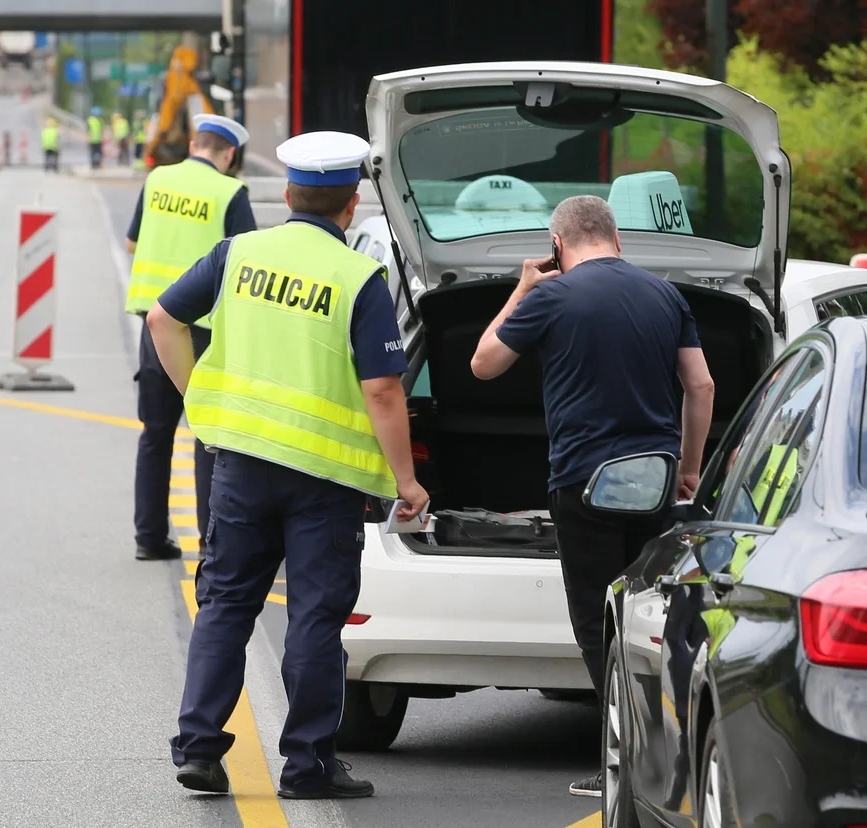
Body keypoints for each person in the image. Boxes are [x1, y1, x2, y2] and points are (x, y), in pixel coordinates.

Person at [146, 131, 429, 799]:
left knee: (225, 606)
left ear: (290, 193)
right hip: (324, 481)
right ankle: (307, 766)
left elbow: (162, 319)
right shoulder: (358, 277)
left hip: (239, 464)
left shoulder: (238, 253)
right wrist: (408, 482)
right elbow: (384, 389)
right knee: (313, 617)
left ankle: (198, 749)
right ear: (352, 202)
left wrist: (201, 405)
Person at [470, 194, 714, 798]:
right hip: (655, 481)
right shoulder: (666, 295)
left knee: (597, 620)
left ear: (558, 246)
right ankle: (669, 754)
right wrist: (689, 468)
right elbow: (701, 383)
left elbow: (482, 364)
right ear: (616, 241)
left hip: (585, 482)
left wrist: (522, 289)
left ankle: (623, 759)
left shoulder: (551, 296)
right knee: (649, 617)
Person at [124, 114, 257, 561]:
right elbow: (247, 264)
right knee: (206, 436)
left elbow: (131, 243)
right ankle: (208, 542)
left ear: (195, 144)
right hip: (203, 333)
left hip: (155, 322)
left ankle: (148, 537)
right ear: (230, 154)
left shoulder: (158, 178)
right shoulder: (230, 193)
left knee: (155, 433)